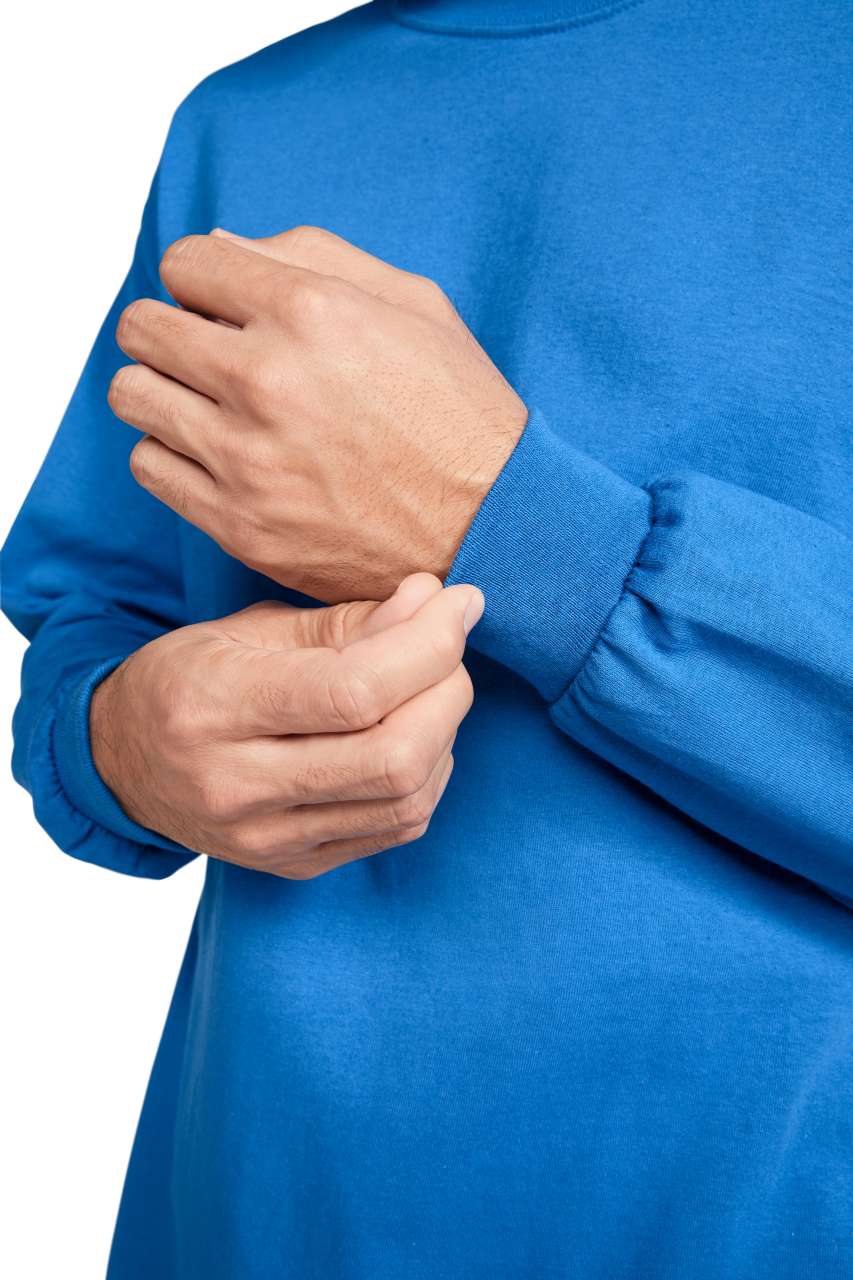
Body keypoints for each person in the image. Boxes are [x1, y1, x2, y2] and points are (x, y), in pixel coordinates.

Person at [3, 0, 851, 1275]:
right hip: (268, 1214)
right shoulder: (244, 121)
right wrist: (125, 740)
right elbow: (92, 619)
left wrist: (521, 530)